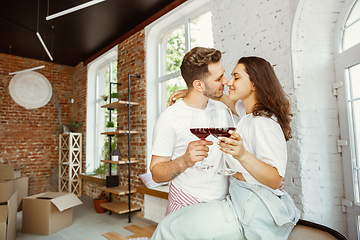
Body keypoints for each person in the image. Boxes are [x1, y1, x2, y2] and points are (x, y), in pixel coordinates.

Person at [151, 56, 300, 240]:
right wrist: (191, 92)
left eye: (235, 77)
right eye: (223, 77)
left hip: (249, 203)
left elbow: (277, 180)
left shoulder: (262, 122)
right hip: (233, 197)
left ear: (254, 84)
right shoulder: (247, 113)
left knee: (168, 228)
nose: (228, 82)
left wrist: (242, 155)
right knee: (171, 226)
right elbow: (221, 97)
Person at [150, 47, 230, 215]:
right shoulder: (169, 118)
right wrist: (184, 161)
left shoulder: (222, 109)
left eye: (223, 74)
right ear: (198, 85)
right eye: (219, 78)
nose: (226, 81)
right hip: (186, 203)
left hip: (223, 205)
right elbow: (156, 174)